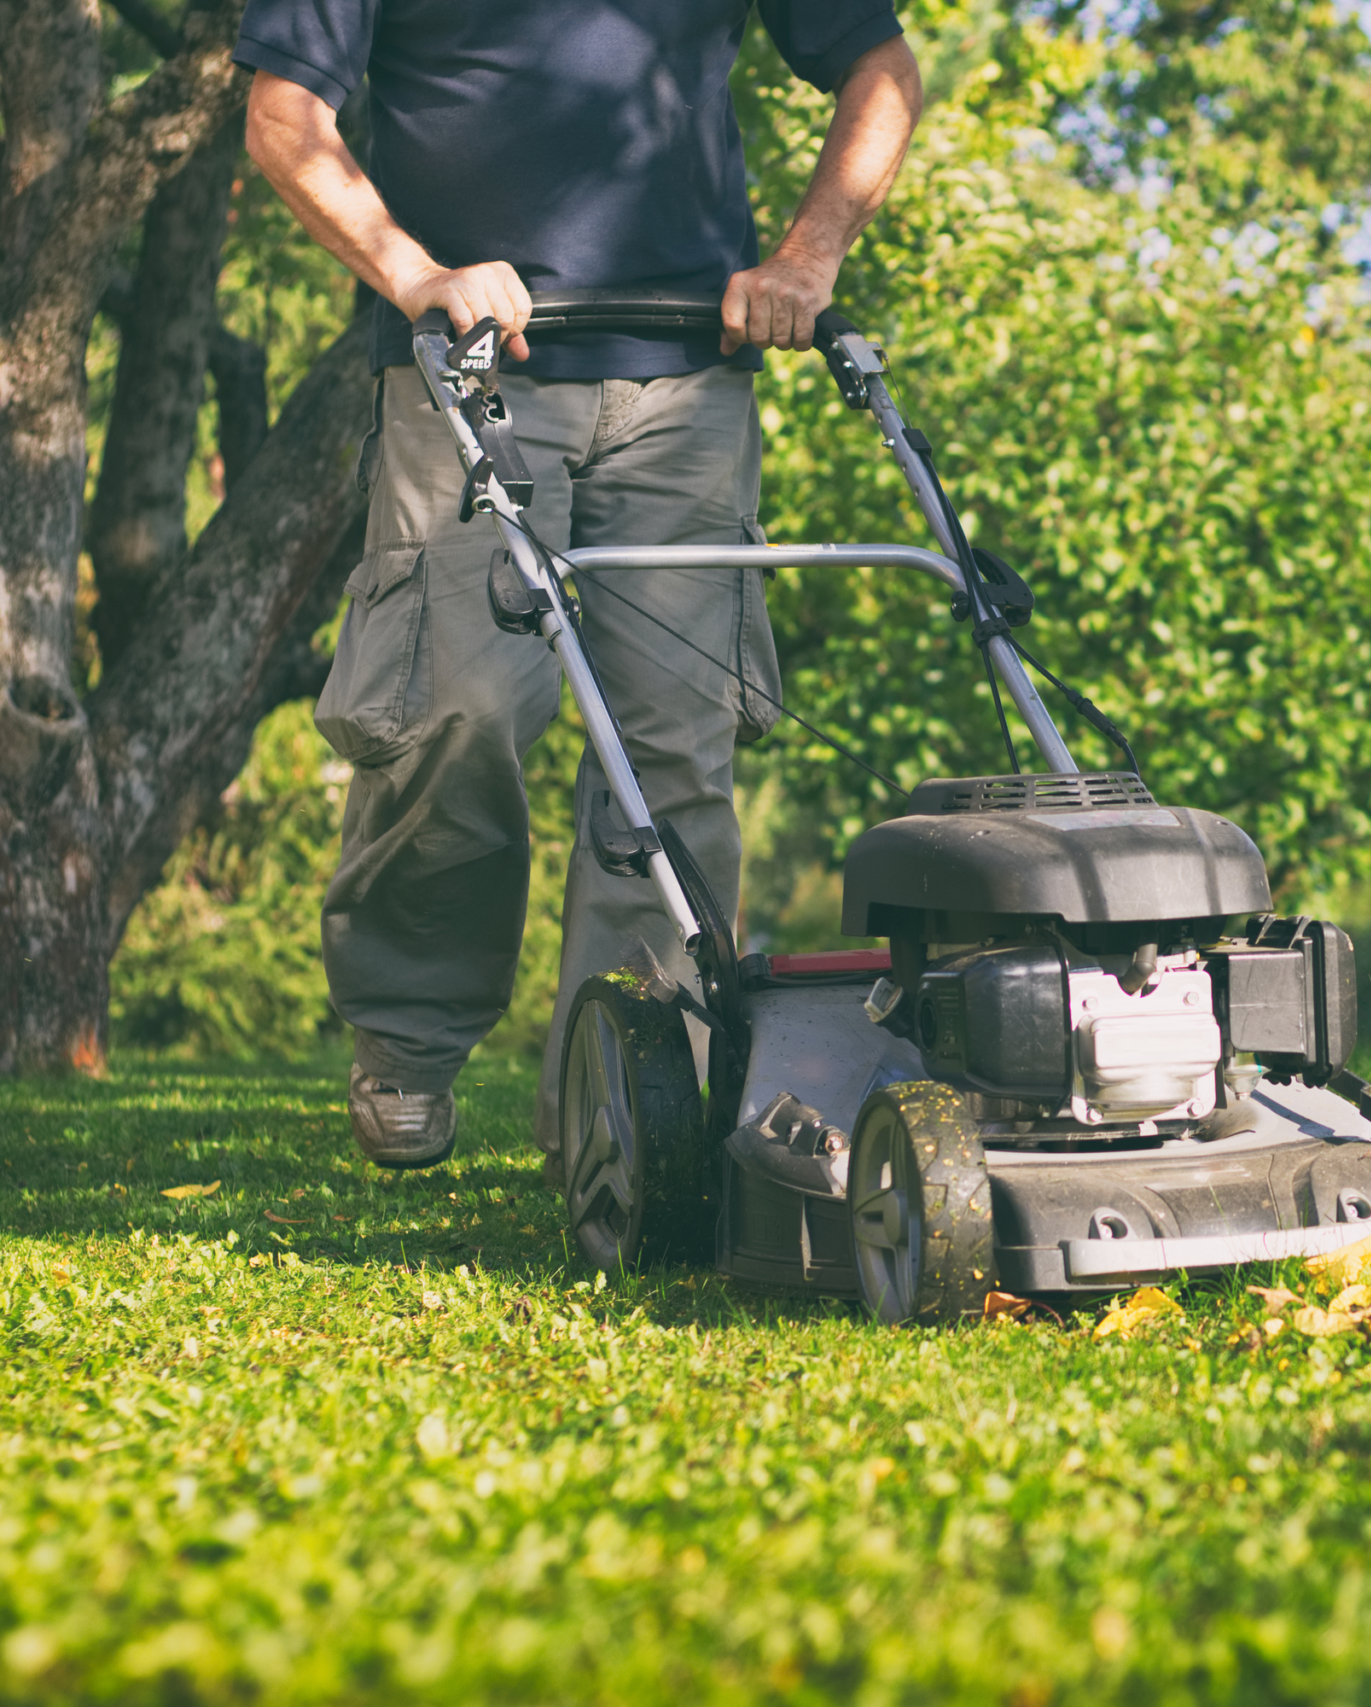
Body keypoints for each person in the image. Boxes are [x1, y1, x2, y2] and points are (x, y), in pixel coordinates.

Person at [235, 0, 921, 1172]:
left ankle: (630, 1111)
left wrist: (807, 258)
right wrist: (417, 274)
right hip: (471, 371)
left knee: (674, 753)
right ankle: (407, 1041)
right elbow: (283, 117)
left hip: (689, 381)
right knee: (455, 711)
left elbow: (882, 67)